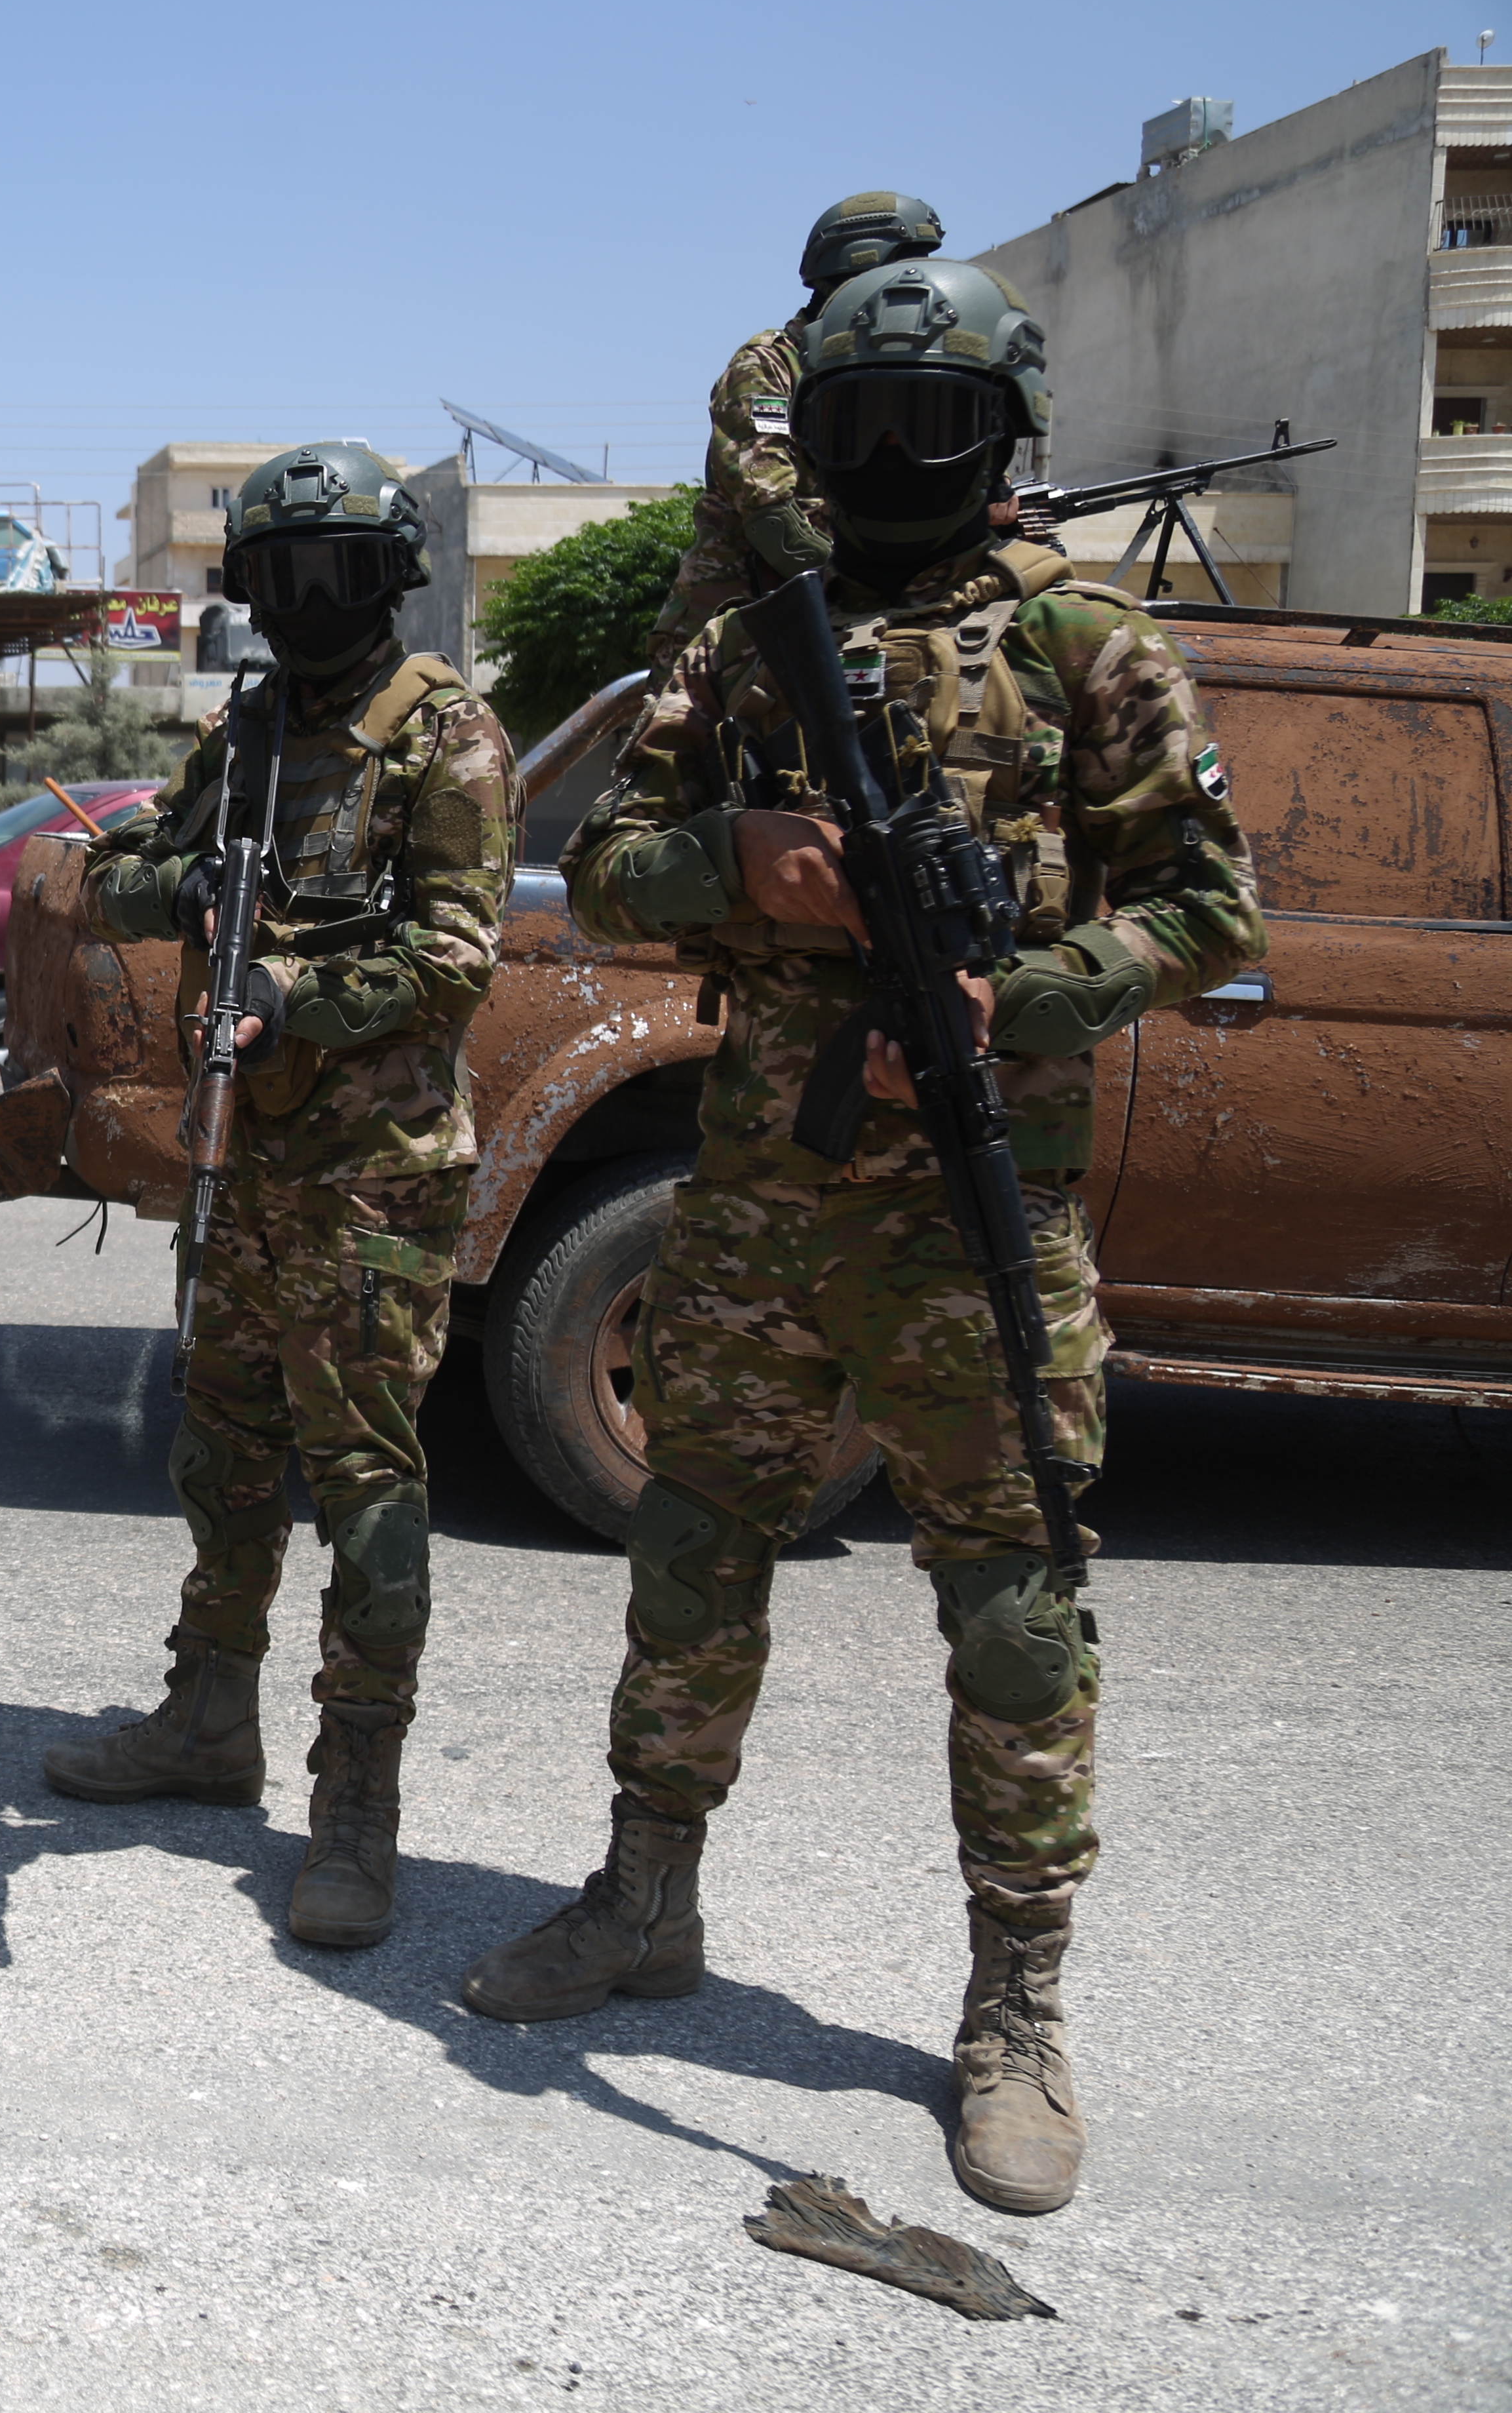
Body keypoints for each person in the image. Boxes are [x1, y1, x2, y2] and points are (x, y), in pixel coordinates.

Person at [468, 258, 1266, 2216]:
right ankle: (646, 1898)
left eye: (936, 420)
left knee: (1015, 1609)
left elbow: (1215, 910)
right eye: (861, 423)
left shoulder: (1092, 646)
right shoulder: (754, 650)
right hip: (751, 1214)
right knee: (691, 1565)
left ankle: (1015, 2011)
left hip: (973, 1220)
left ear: (1002, 432)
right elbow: (607, 868)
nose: (899, 455)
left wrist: (1033, 995)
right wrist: (743, 861)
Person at [34, 442, 516, 1949]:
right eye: (281, 573)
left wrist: (291, 996)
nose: (306, 602)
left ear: (385, 579)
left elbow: (455, 955)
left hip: (371, 1181)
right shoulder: (243, 730)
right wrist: (174, 894)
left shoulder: (444, 733)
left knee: (366, 1489)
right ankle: (205, 1717)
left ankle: (354, 1809)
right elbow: (111, 878)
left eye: (333, 571)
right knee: (222, 1457)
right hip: (243, 1165)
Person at [646, 193, 948, 677]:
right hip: (729, 633)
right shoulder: (769, 366)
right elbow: (776, 526)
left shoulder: (872, 377)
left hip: (828, 623)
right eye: (905, 271)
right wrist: (888, 585)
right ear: (860, 271)